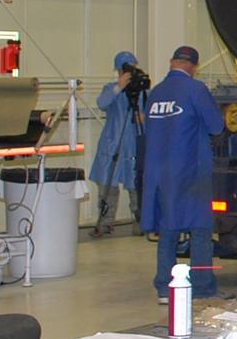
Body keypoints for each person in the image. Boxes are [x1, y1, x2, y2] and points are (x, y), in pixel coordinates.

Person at [141, 46, 226, 303]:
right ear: (193, 66)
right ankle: (201, 286)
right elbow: (216, 126)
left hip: (159, 174)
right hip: (189, 172)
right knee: (200, 229)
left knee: (168, 230)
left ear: (172, 62)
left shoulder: (155, 93)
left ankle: (164, 289)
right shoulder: (195, 89)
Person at [89, 51, 144, 236]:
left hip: (133, 145)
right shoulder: (111, 89)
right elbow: (102, 103)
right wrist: (118, 88)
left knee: (136, 186)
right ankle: (105, 223)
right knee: (108, 187)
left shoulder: (142, 92)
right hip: (112, 144)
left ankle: (141, 222)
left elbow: (151, 112)